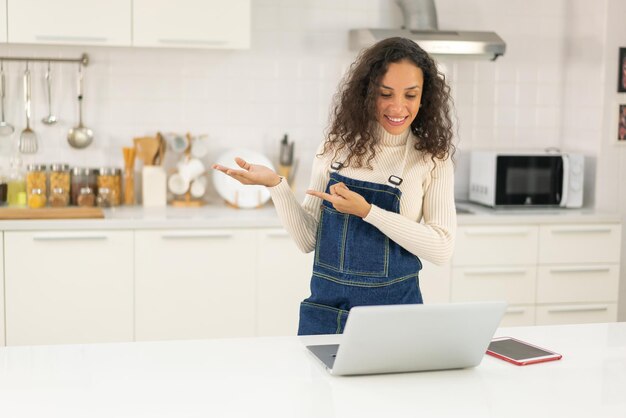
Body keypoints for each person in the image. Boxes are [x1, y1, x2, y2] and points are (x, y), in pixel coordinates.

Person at [212, 37, 456, 336]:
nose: (398, 106)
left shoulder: (431, 159)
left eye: (410, 95)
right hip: (329, 315)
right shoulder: (335, 149)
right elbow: (307, 240)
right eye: (385, 93)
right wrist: (276, 185)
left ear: (424, 98)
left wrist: (368, 212)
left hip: (396, 319)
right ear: (368, 94)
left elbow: (442, 248)